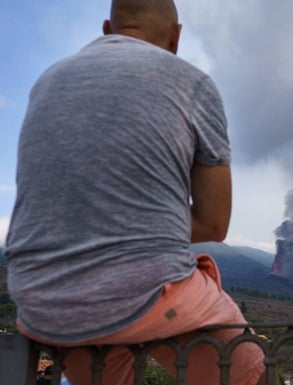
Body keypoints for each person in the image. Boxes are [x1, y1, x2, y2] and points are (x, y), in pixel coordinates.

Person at [4, 1, 264, 385]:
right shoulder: (193, 84)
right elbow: (214, 222)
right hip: (141, 295)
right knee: (250, 368)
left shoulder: (46, 81)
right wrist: (133, 226)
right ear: (176, 37)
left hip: (40, 303)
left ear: (107, 28)